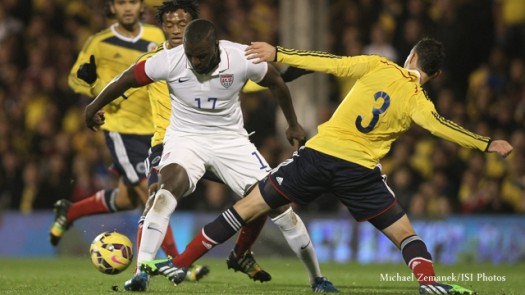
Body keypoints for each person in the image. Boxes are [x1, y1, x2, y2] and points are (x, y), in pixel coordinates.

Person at [146, 39, 514, 294]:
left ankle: (179, 262)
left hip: (318, 157)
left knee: (246, 208)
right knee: (405, 234)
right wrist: (486, 143)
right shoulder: (420, 100)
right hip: (360, 172)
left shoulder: (376, 65)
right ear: (433, 75)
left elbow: (327, 62)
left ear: (411, 57)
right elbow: (440, 127)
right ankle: (428, 282)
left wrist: (279, 52)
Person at [85, 19, 338, 293]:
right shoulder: (170, 60)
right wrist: (93, 106)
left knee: (277, 205)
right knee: (166, 192)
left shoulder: (240, 57)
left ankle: (317, 279)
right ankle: (142, 272)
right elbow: (127, 79)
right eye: (190, 55)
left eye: (202, 56)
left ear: (216, 47)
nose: (195, 61)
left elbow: (276, 82)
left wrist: (293, 123)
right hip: (185, 139)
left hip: (231, 141)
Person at [128, 0, 310, 289]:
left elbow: (245, 78)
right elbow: (122, 89)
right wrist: (93, 94)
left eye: (182, 23)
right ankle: (148, 267)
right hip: (170, 142)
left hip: (219, 141)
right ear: (162, 26)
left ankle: (241, 254)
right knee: (155, 197)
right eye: (170, 24)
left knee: (259, 198)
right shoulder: (153, 61)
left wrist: (285, 75)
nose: (176, 29)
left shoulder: (214, 58)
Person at [49, 0, 180, 261]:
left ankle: (70, 212)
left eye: (133, 2)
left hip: (154, 129)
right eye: (121, 3)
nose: (128, 8)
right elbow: (75, 78)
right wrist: (92, 83)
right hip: (121, 130)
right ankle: (178, 261)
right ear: (112, 8)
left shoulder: (156, 36)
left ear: (141, 6)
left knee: (126, 199)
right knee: (151, 193)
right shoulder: (99, 42)